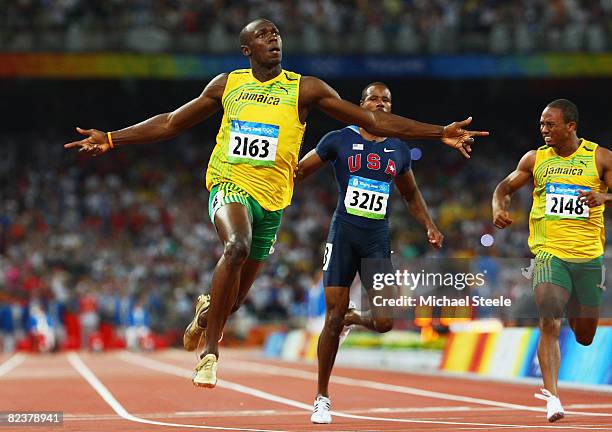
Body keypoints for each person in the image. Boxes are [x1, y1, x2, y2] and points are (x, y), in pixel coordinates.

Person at [64, 18, 488, 389]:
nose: (274, 39)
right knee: (235, 247)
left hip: (273, 200)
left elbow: (373, 121)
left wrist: (438, 132)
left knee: (234, 301)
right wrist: (113, 137)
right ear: (247, 49)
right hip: (229, 182)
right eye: (264, 35)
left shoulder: (306, 89)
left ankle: (208, 312)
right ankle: (210, 353)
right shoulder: (227, 84)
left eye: (277, 34)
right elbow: (173, 122)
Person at [296, 82, 444, 424]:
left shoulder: (399, 149)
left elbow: (410, 195)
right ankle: (321, 396)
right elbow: (300, 171)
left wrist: (429, 226)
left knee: (384, 321)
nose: (380, 103)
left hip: (376, 238)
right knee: (331, 315)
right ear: (360, 105)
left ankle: (352, 317)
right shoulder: (338, 139)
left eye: (387, 100)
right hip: (343, 234)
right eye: (373, 98)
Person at [492, 99, 610, 423]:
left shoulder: (599, 158)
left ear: (570, 126)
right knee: (548, 320)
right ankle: (552, 398)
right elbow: (504, 186)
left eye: (550, 125)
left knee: (585, 334)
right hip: (548, 252)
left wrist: (605, 196)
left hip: (587, 256)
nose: (543, 130)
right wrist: (498, 207)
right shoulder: (535, 159)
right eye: (541, 124)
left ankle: (574, 302)